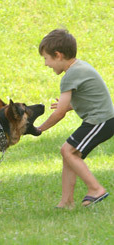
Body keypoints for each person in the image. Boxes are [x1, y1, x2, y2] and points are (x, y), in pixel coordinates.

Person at [37, 29, 114, 208]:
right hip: (103, 119)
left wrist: (39, 128)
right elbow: (89, 97)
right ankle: (66, 201)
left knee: (68, 151)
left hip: (101, 121)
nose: (46, 64)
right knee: (71, 154)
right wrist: (69, 105)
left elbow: (60, 113)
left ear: (58, 55)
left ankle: (96, 189)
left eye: (46, 58)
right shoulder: (79, 67)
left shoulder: (70, 75)